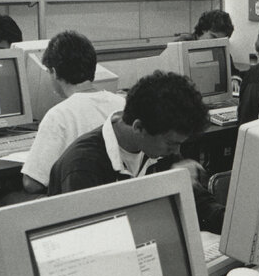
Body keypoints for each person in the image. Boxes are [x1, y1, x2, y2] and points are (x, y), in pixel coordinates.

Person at [47, 71, 224, 233]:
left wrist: (230, 224)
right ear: (138, 127)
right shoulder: (82, 166)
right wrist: (160, 187)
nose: (176, 151)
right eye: (171, 143)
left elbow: (202, 206)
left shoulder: (157, 147)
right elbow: (95, 236)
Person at [21, 31, 127, 194]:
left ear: (55, 72)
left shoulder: (58, 116)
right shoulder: (122, 104)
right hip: (117, 194)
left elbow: (32, 183)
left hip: (75, 200)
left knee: (7, 197)